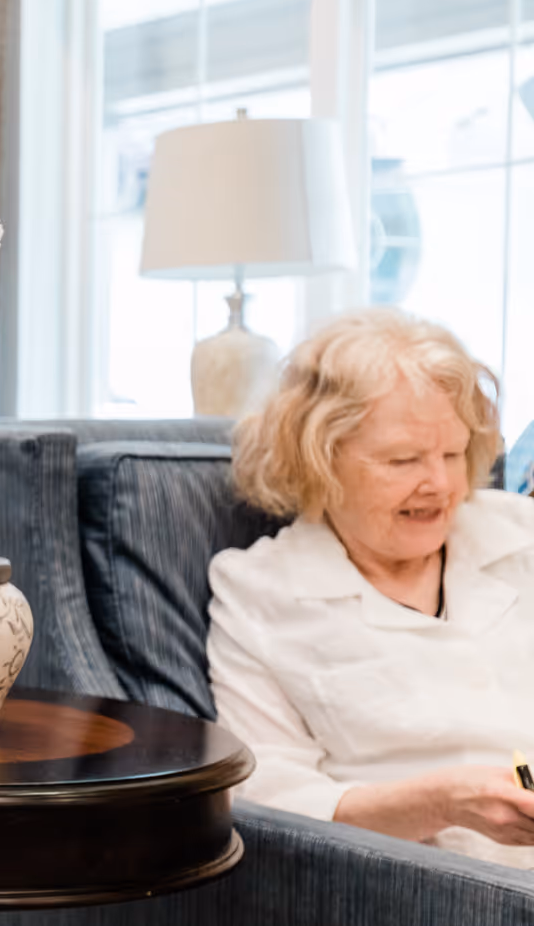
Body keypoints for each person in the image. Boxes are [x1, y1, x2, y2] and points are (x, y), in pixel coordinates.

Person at [209, 307, 534, 865]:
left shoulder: (517, 535)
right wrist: (439, 803)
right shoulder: (262, 591)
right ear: (319, 460)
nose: (439, 484)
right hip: (433, 894)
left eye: (454, 454)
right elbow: (265, 797)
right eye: (403, 460)